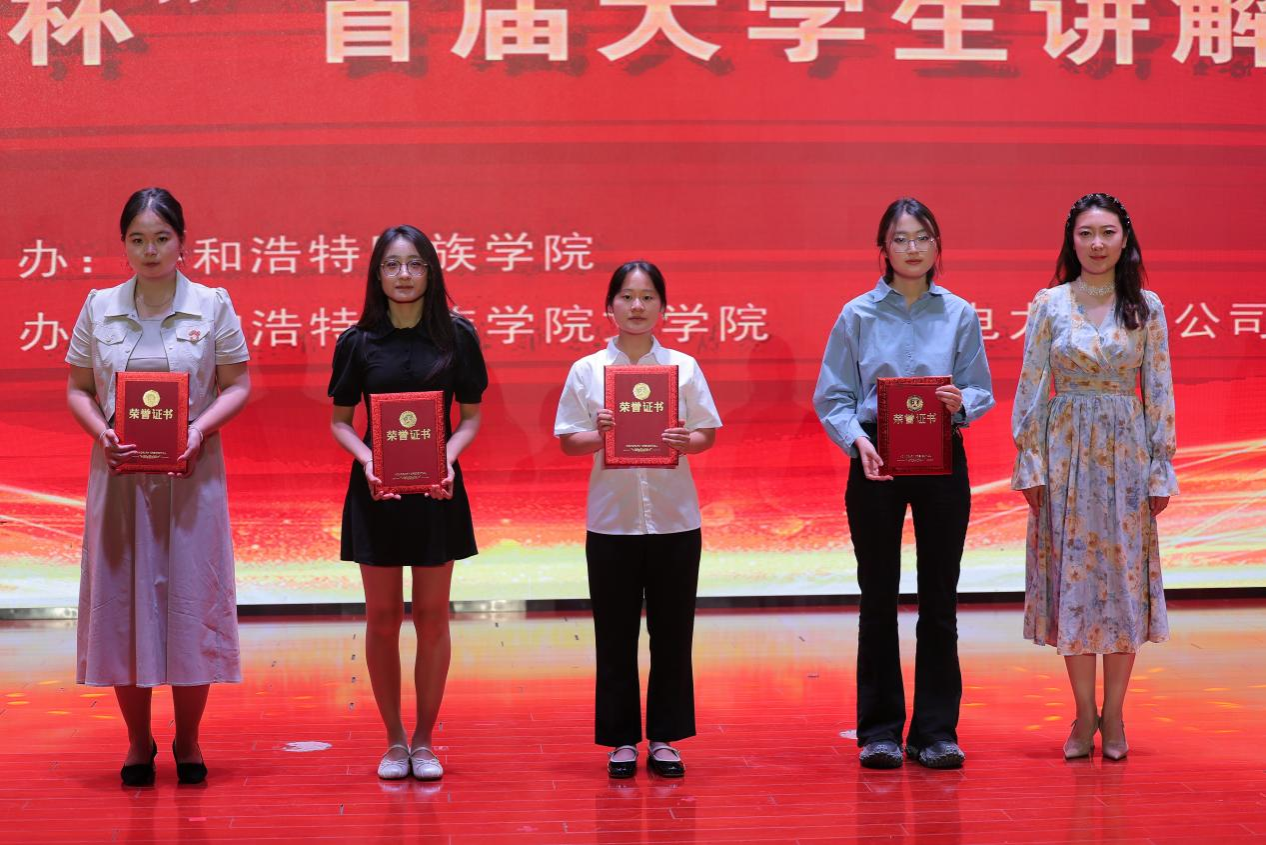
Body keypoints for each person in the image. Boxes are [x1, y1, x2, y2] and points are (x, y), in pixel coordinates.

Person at [66, 187, 252, 786]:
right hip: (120, 479)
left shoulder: (212, 305)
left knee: (192, 603)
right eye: (138, 239)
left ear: (182, 242)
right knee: (123, 605)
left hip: (192, 479)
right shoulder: (98, 307)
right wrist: (102, 432)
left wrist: (198, 429)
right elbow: (78, 389)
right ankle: (136, 741)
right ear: (124, 245)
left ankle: (189, 739)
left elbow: (237, 385)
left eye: (162, 238)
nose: (150, 250)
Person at [813, 198, 995, 770]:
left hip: (941, 454)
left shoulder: (959, 313)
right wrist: (857, 442)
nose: (912, 248)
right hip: (876, 457)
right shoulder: (857, 315)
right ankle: (880, 731)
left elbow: (981, 389)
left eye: (922, 238)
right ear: (883, 249)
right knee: (878, 596)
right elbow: (833, 397)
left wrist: (961, 402)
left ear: (937, 246)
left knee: (940, 599)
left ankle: (936, 731)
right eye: (900, 238)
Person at [1011, 193, 1177, 761]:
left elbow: (1159, 389)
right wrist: (1030, 461)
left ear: (1125, 239)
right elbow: (1032, 385)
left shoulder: (1146, 307)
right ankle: (1084, 714)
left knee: (1123, 584)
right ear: (1072, 240)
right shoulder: (1049, 304)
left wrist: (1160, 468)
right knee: (1074, 584)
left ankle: (1116, 713)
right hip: (1064, 456)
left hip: (1127, 454)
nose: (1097, 244)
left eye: (1108, 232)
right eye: (1086, 233)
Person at [328, 225, 487, 780]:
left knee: (433, 618)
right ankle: (394, 740)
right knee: (381, 619)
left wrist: (448, 458)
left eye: (415, 264)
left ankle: (425, 740)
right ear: (377, 274)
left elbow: (470, 419)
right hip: (377, 491)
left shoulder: (457, 336)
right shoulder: (357, 342)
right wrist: (368, 461)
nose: (404, 275)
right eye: (392, 265)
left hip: (437, 491)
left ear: (431, 272)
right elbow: (341, 423)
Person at [554, 260, 722, 778]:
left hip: (675, 521)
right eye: (627, 297)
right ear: (609, 307)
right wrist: (601, 433)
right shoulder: (587, 371)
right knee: (615, 635)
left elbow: (707, 433)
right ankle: (622, 740)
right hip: (612, 523)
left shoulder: (683, 367)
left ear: (663, 307)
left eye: (648, 297)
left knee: (673, 635)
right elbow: (569, 442)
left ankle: (666, 738)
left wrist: (685, 440)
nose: (637, 306)